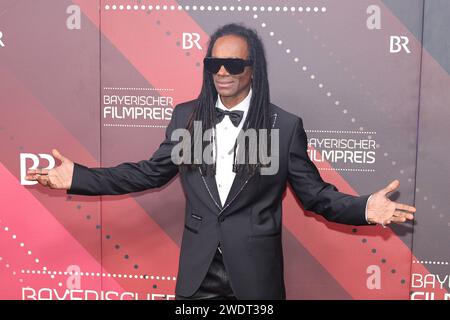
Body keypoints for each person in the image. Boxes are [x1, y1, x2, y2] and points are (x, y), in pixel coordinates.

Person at [26, 23, 415, 300]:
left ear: (253, 69)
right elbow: (148, 173)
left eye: (234, 64)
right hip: (198, 275)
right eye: (215, 64)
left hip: (256, 276)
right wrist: (77, 177)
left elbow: (317, 197)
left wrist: (365, 208)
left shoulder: (283, 126)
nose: (223, 72)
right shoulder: (187, 118)